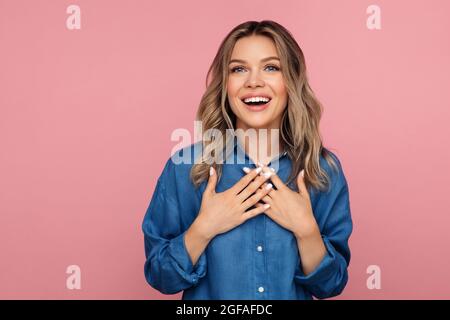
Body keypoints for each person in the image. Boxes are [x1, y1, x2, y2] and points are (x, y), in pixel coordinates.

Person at [142, 20, 353, 300]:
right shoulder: (186, 167)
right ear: (225, 85)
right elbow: (160, 276)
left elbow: (331, 286)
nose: (254, 81)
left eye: (271, 67)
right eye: (239, 69)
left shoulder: (322, 170)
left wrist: (306, 230)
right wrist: (205, 227)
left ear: (291, 81)